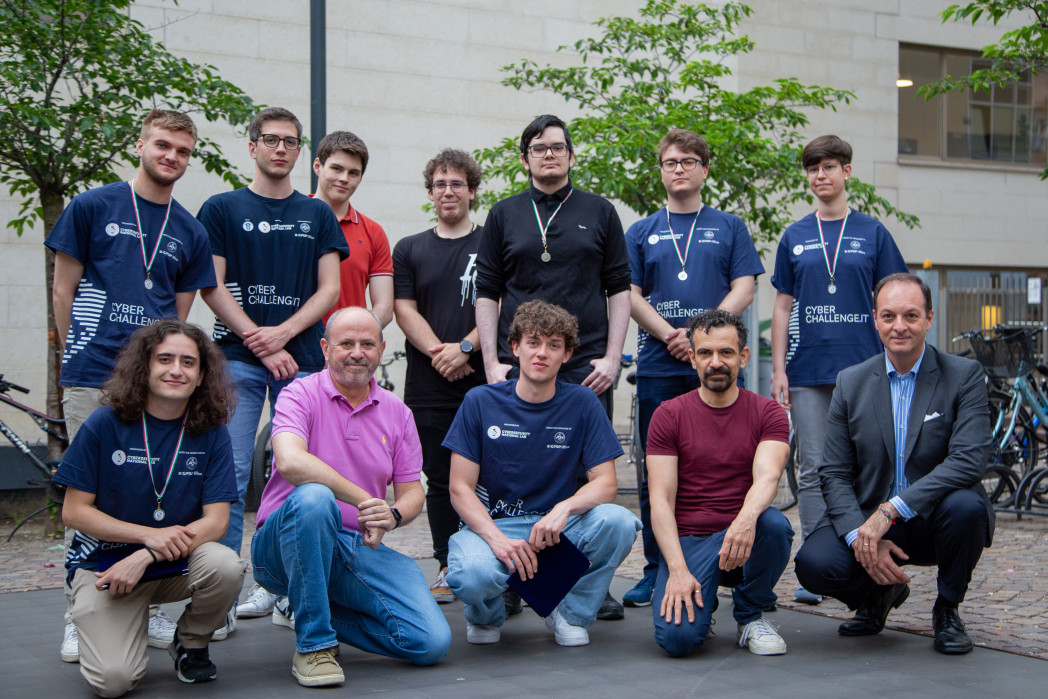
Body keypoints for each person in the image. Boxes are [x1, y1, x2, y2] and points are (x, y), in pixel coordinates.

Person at [46, 109, 217, 661]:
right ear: (140, 143)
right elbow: (63, 290)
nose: (172, 157)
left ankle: (153, 604)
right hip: (93, 373)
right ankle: (81, 609)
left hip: (156, 385)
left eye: (183, 151)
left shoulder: (190, 230)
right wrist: (72, 355)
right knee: (91, 496)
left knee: (153, 486)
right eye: (163, 145)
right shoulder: (93, 206)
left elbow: (177, 321)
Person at [197, 107, 348, 637]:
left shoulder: (317, 215)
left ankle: (285, 589)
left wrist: (281, 334)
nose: (280, 149)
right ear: (252, 146)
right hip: (236, 359)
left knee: (297, 475)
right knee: (231, 474)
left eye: (290, 142)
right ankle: (218, 601)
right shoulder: (220, 208)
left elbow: (329, 290)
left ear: (300, 151)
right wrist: (260, 342)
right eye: (271, 140)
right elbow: (210, 286)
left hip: (302, 360)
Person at [475, 114, 631, 619]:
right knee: (513, 467)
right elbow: (487, 293)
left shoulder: (600, 211)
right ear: (525, 158)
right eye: (539, 148)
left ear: (570, 155)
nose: (549, 155)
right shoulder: (504, 214)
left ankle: (585, 580)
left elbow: (620, 290)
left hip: (586, 367)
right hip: (516, 364)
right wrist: (492, 362)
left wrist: (612, 356)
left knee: (582, 471)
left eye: (558, 148)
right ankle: (512, 575)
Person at [250, 306, 451, 687]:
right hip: (281, 546)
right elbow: (291, 462)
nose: (357, 352)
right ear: (325, 348)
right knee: (314, 499)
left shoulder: (397, 413)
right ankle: (314, 646)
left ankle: (310, 607)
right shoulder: (299, 394)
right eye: (346, 343)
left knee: (430, 642)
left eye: (367, 344)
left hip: (352, 547)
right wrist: (365, 501)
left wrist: (390, 516)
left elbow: (412, 494)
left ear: (380, 350)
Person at [795, 273, 993, 655]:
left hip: (937, 518)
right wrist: (861, 538)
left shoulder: (963, 376)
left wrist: (894, 509)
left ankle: (947, 609)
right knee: (814, 564)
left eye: (911, 315)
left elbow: (969, 460)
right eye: (888, 316)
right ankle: (879, 592)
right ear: (875, 319)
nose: (899, 326)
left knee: (968, 506)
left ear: (929, 318)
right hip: (871, 518)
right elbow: (833, 472)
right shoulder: (851, 382)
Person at [54, 319, 244, 696]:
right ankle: (111, 620)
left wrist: (146, 554)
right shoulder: (105, 422)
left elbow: (218, 522)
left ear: (202, 375)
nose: (176, 370)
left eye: (188, 362)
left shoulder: (211, 430)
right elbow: (74, 513)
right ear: (146, 366)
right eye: (165, 359)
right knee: (114, 682)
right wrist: (147, 537)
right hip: (105, 568)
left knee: (226, 565)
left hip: (173, 564)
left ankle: (190, 643)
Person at [444, 300, 641, 647]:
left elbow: (607, 484)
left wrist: (563, 510)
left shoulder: (582, 402)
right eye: (533, 342)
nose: (542, 353)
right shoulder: (480, 401)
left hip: (556, 527)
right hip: (494, 525)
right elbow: (460, 488)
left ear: (566, 355)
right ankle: (486, 615)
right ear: (515, 347)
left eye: (554, 345)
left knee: (619, 522)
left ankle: (569, 613)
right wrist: (496, 540)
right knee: (472, 575)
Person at [624, 128, 764, 608]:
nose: (678, 168)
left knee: (730, 460)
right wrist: (669, 334)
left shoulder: (729, 226)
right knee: (655, 470)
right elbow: (629, 295)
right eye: (670, 162)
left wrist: (706, 336)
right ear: (660, 171)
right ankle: (656, 567)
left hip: (716, 361)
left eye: (688, 160)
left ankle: (736, 558)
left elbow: (744, 286)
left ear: (705, 169)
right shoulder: (641, 231)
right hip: (660, 363)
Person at [770, 134, 907, 604]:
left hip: (867, 371)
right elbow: (784, 306)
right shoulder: (794, 235)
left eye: (829, 166)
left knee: (870, 466)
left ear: (847, 171)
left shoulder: (872, 233)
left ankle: (868, 551)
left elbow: (895, 300)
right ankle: (817, 562)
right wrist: (778, 368)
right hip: (808, 371)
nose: (820, 176)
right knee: (811, 468)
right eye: (812, 169)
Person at [646, 309, 792, 657]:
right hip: (689, 541)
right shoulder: (668, 415)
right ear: (692, 358)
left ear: (743, 357)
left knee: (773, 525)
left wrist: (743, 523)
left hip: (745, 537)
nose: (716, 362)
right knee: (677, 641)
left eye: (726, 352)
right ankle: (700, 600)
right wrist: (678, 571)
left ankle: (750, 615)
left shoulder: (768, 413)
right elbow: (660, 500)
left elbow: (768, 476)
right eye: (706, 353)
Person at [392, 148, 487, 603]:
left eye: (457, 183)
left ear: (472, 190)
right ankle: (448, 564)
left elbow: (502, 301)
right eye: (440, 184)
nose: (448, 191)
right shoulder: (409, 248)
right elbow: (402, 308)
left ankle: (492, 560)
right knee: (440, 476)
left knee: (490, 474)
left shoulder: (493, 242)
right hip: (429, 383)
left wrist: (467, 347)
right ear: (430, 193)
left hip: (485, 379)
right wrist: (441, 353)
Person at [312, 130, 394, 327]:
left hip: (349, 353)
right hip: (295, 349)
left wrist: (355, 336)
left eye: (353, 173)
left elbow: (384, 307)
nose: (344, 178)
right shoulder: (292, 220)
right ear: (318, 167)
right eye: (336, 169)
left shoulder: (373, 232)